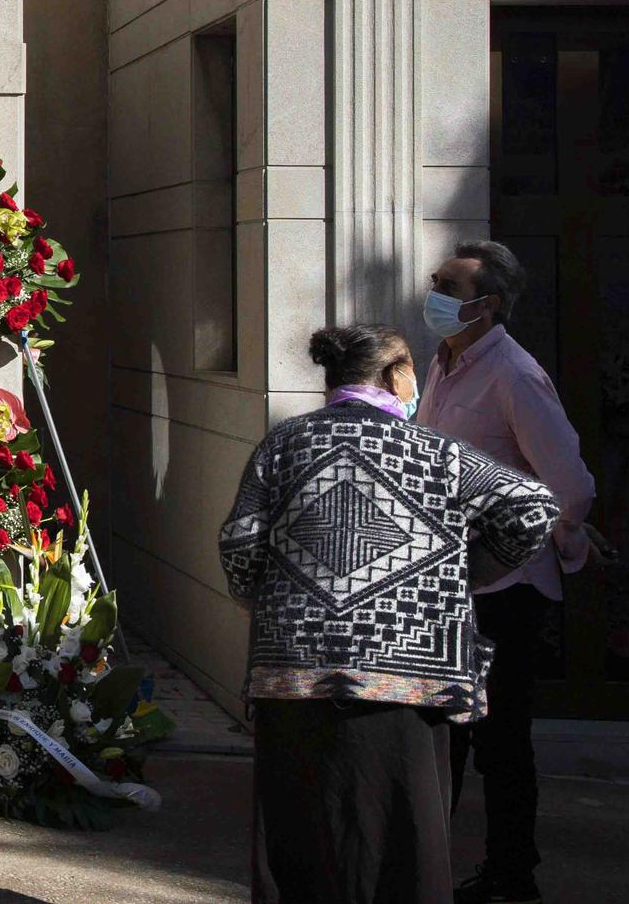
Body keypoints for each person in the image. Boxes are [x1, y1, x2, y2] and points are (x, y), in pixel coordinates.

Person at [220, 324, 558, 904]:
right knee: (405, 848)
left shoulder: (282, 445)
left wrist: (276, 603)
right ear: (395, 374)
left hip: (294, 673)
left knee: (300, 843)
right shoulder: (439, 453)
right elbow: (533, 508)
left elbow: (240, 547)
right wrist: (460, 575)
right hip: (411, 677)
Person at [416, 241, 601, 904]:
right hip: (453, 582)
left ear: (486, 303)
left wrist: (562, 536)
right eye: (436, 279)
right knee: (443, 735)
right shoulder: (446, 364)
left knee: (497, 740)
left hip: (505, 586)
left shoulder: (514, 375)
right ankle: (428, 871)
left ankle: (511, 874)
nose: (432, 290)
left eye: (447, 283)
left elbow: (571, 485)